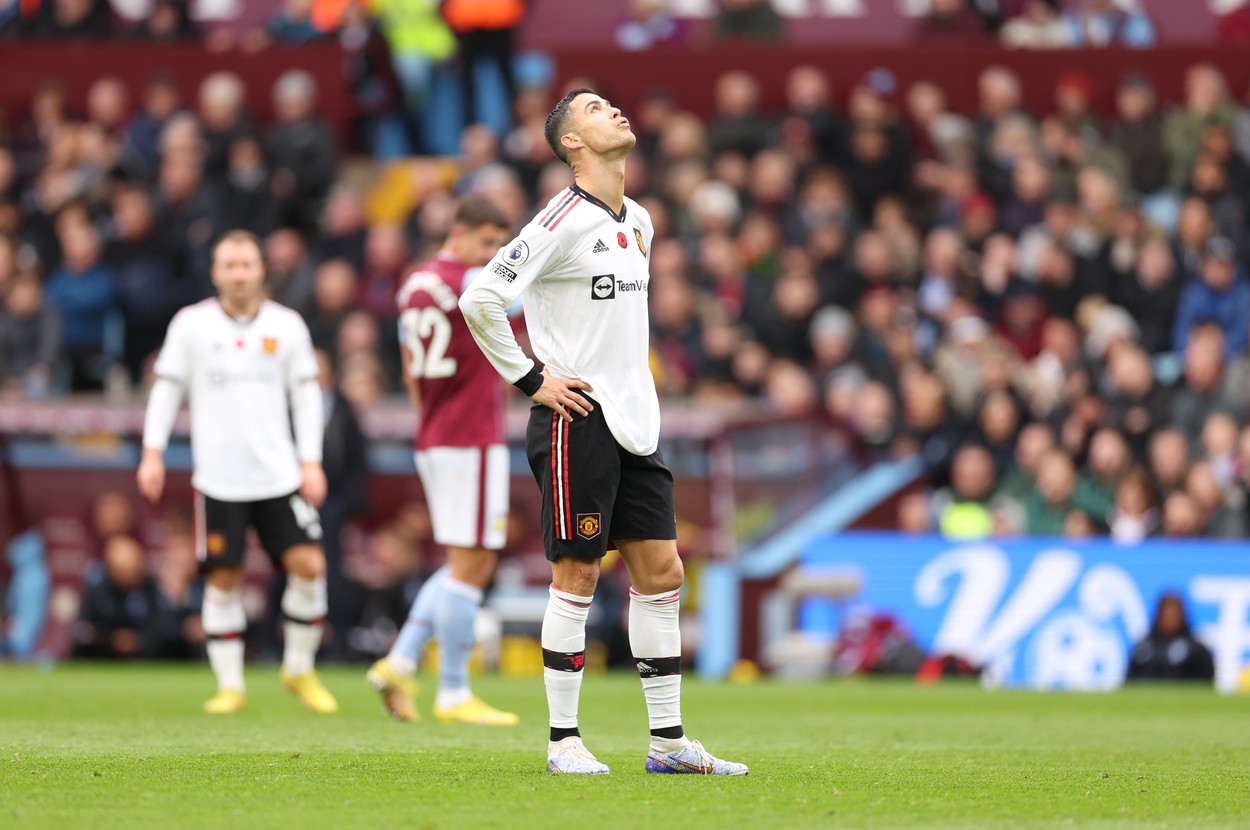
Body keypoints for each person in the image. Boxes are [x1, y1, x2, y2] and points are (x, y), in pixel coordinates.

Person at [459, 88, 748, 776]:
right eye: (594, 109)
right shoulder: (558, 218)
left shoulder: (641, 221)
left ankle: (669, 744)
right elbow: (480, 299)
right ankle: (563, 743)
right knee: (580, 572)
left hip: (634, 419)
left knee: (662, 571)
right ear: (572, 145)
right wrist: (532, 380)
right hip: (575, 418)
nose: (615, 110)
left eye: (612, 103)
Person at [136, 230, 336, 716]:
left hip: (280, 475)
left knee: (309, 565)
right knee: (223, 578)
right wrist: (152, 451)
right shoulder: (191, 325)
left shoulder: (287, 325)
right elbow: (166, 390)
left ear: (261, 269)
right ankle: (230, 685)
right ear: (215, 272)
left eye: (247, 264)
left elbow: (306, 396)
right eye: (230, 265)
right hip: (219, 480)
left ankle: (298, 669)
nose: (239, 273)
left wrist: (310, 459)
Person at [365, 196, 518, 726]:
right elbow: (523, 301)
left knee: (466, 561)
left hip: (435, 430)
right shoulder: (472, 282)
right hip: (470, 432)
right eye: (486, 243)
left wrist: (428, 414)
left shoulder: (414, 282)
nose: (493, 254)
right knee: (472, 563)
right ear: (460, 233)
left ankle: (400, 661)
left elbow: (411, 370)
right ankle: (453, 690)